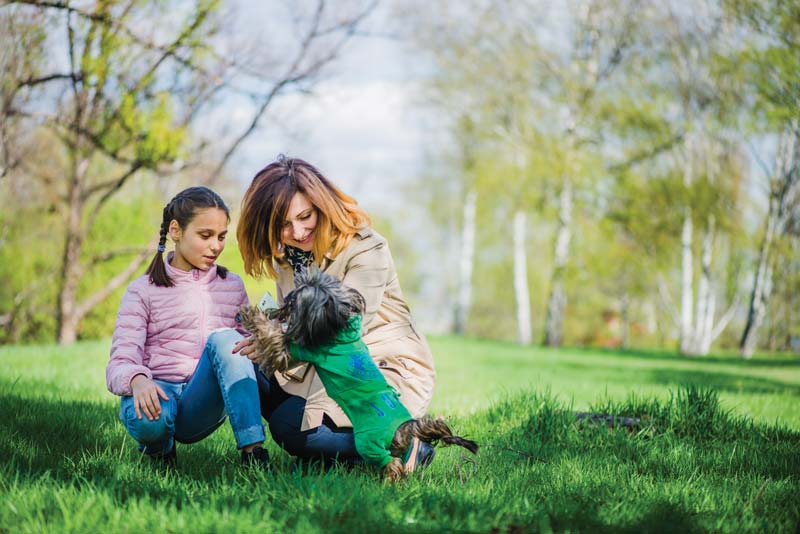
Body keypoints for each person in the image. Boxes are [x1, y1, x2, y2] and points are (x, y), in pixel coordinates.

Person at [234, 155, 437, 472]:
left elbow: (341, 329)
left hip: (373, 362)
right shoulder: (286, 257)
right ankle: (337, 452)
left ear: (321, 205)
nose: (298, 232)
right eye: (284, 225)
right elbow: (294, 320)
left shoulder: (366, 249)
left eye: (305, 216)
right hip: (317, 363)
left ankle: (408, 445)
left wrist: (275, 344)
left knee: (290, 430)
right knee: (243, 370)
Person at [105, 186, 269, 469]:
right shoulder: (142, 290)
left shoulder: (232, 285)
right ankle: (159, 450)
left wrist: (262, 341)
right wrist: (137, 380)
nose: (215, 245)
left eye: (220, 237)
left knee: (227, 340)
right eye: (205, 236)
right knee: (151, 421)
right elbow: (120, 361)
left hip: (202, 402)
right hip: (157, 397)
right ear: (176, 231)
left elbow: (243, 352)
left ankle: (253, 453)